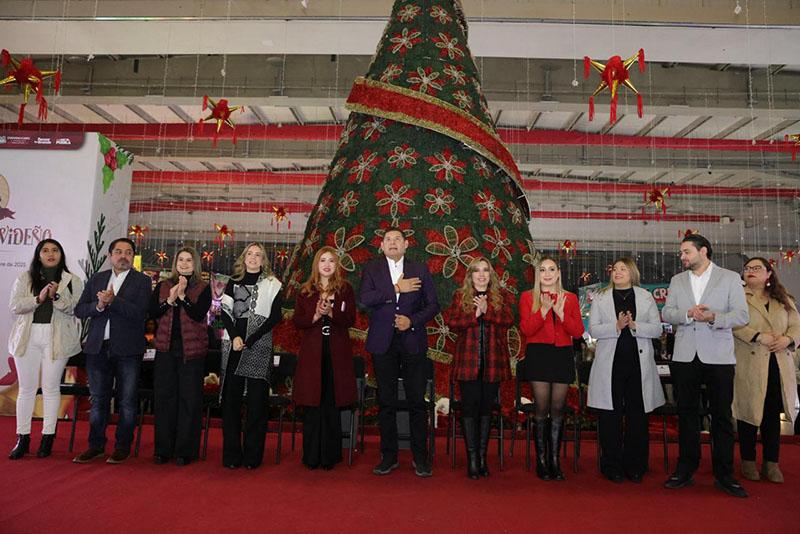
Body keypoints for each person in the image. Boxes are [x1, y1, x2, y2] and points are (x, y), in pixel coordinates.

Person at [662, 234, 749, 497]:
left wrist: (714, 317)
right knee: (686, 413)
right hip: (685, 356)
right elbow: (667, 313)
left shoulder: (730, 278)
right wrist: (687, 315)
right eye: (681, 253)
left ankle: (724, 474)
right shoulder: (678, 280)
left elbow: (742, 315)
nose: (682, 257)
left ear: (703, 251)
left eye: (686, 252)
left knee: (721, 416)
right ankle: (686, 468)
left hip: (719, 357)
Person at [359, 228, 440, 477]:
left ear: (406, 245)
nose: (392, 243)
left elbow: (433, 305)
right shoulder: (372, 269)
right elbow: (364, 299)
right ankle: (389, 456)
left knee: (417, 401)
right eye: (388, 240)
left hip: (412, 341)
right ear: (381, 246)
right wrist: (396, 288)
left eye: (397, 239)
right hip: (383, 343)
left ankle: (420, 457)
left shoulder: (420, 269)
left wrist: (412, 321)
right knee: (386, 402)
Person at [73, 237, 152, 464]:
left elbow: (141, 313)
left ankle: (122, 446)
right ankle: (95, 445)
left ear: (133, 257)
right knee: (98, 400)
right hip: (97, 348)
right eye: (118, 251)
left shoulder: (142, 282)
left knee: (127, 401)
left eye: (128, 252)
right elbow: (80, 310)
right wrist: (98, 306)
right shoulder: (97, 279)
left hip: (128, 350)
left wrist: (113, 301)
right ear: (110, 255)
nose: (123, 256)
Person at [587, 258, 665, 483]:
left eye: (623, 269)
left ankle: (636, 464)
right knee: (610, 417)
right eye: (615, 269)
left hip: (638, 365)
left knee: (637, 417)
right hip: (610, 365)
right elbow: (593, 329)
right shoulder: (601, 297)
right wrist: (616, 326)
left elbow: (656, 328)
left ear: (632, 273)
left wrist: (634, 326)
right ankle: (611, 465)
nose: (617, 272)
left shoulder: (644, 296)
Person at [8, 239, 83, 459]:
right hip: (28, 336)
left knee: (51, 388)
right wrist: (37, 299)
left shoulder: (72, 280)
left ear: (61, 254)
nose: (50, 254)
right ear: (38, 255)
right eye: (45, 250)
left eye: (55, 250)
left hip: (56, 336)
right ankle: (23, 437)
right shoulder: (25, 277)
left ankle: (47, 437)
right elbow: (15, 305)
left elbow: (74, 308)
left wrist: (56, 296)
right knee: (27, 388)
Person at [732, 257, 800, 483]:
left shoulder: (785, 299)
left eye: (756, 268)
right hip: (749, 362)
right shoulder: (737, 296)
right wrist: (758, 336)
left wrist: (788, 339)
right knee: (748, 413)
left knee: (772, 414)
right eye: (747, 268)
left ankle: (772, 463)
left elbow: (796, 326)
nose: (750, 271)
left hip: (778, 363)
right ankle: (748, 461)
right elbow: (733, 324)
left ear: (769, 274)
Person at [446, 256, 513, 479]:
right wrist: (475, 315)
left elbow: (508, 320)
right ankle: (472, 459)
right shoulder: (460, 295)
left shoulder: (500, 296)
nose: (481, 274)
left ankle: (483, 457)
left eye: (485, 270)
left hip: (493, 363)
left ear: (490, 274)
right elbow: (453, 323)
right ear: (470, 275)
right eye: (477, 270)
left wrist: (488, 312)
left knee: (486, 410)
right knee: (469, 409)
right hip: (467, 364)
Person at [518, 255, 584, 481]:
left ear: (558, 273)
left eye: (551, 269)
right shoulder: (528, 297)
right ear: (538, 275)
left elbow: (577, 331)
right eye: (542, 270)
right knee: (541, 408)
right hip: (539, 355)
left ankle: (555, 460)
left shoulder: (571, 298)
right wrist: (544, 310)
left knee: (558, 409)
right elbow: (526, 329)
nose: (547, 274)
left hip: (562, 355)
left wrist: (562, 313)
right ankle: (542, 461)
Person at [293, 247, 357, 470]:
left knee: (331, 405)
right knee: (312, 405)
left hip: (336, 357)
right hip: (312, 357)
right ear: (316, 265)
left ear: (336, 265)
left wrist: (331, 313)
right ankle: (311, 456)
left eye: (331, 260)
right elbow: (298, 321)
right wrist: (316, 315)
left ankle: (330, 456)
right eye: (323, 260)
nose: (327, 264)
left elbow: (350, 319)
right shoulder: (306, 291)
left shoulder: (345, 290)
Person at [219, 242, 283, 470]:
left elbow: (276, 317)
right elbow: (224, 313)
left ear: (264, 259)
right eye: (250, 254)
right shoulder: (233, 282)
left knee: (257, 404)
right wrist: (236, 337)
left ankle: (253, 457)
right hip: (234, 345)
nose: (254, 258)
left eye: (258, 255)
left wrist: (251, 339)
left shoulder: (273, 284)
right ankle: (232, 455)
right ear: (244, 257)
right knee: (231, 403)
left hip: (259, 345)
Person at [149, 247, 211, 466]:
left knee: (189, 401)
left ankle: (186, 451)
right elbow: (153, 312)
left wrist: (183, 297)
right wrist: (170, 300)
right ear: (175, 263)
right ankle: (163, 449)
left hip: (191, 354)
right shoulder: (164, 285)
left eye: (189, 260)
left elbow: (198, 314)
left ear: (195, 264)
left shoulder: (203, 287)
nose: (184, 263)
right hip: (165, 350)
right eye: (181, 260)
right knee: (165, 399)